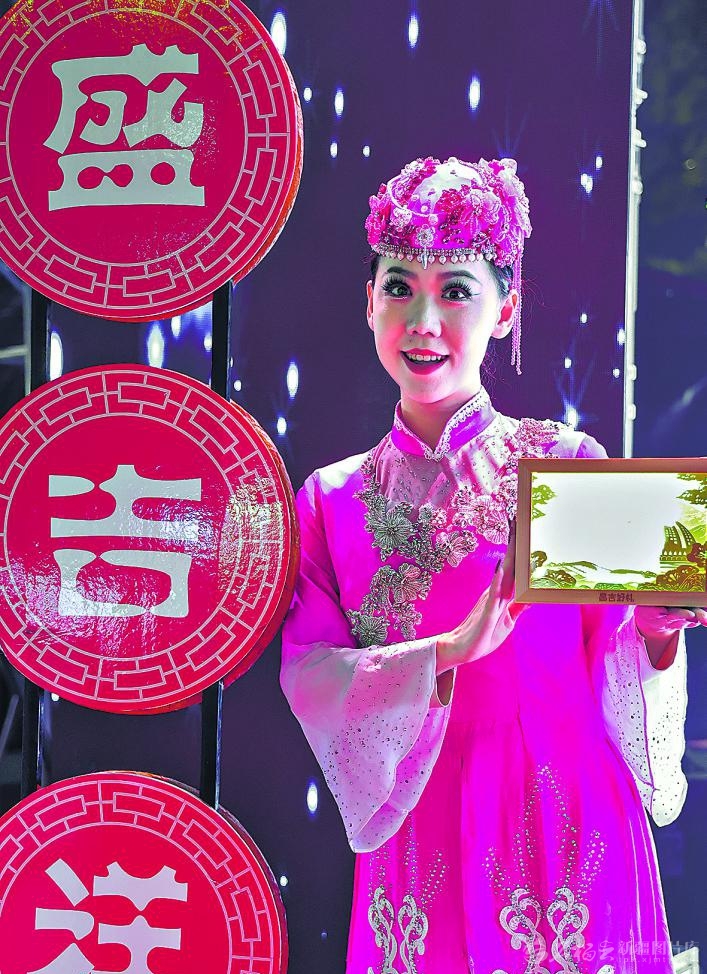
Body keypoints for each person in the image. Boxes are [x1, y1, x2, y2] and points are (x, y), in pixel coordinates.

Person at [281, 156, 704, 973]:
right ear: (368, 302)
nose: (422, 320)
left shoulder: (564, 462)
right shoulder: (330, 499)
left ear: (505, 309)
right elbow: (310, 673)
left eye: (456, 291)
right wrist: (446, 651)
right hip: (421, 812)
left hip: (564, 809)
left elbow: (617, 647)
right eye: (399, 288)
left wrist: (657, 627)